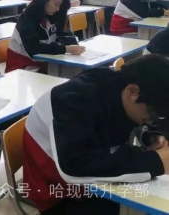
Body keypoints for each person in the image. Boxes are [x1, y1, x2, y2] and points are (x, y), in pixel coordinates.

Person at [23, 55, 169, 215]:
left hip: (89, 176)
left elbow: (129, 120)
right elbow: (73, 167)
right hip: (57, 190)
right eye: (152, 115)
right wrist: (156, 161)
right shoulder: (76, 101)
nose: (151, 120)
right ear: (132, 91)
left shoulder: (122, 87)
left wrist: (149, 135)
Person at [6, 0, 83, 73]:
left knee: (73, 73)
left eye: (60, 6)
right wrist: (65, 49)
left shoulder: (51, 16)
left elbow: (65, 35)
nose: (58, 9)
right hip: (22, 67)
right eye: (56, 4)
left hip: (46, 63)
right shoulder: (27, 19)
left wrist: (72, 43)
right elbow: (34, 48)